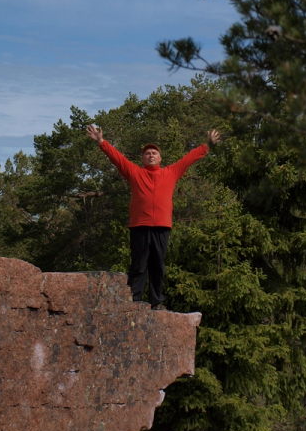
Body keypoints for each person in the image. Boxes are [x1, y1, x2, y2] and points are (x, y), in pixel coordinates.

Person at [86, 124, 220, 310]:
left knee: (158, 265)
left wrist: (207, 145)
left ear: (160, 158)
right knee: (139, 265)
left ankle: (157, 302)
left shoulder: (170, 172)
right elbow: (117, 159)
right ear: (142, 158)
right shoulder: (135, 173)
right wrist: (101, 141)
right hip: (139, 225)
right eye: (147, 153)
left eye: (154, 153)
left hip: (161, 226)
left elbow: (189, 159)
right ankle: (134, 301)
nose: (150, 155)